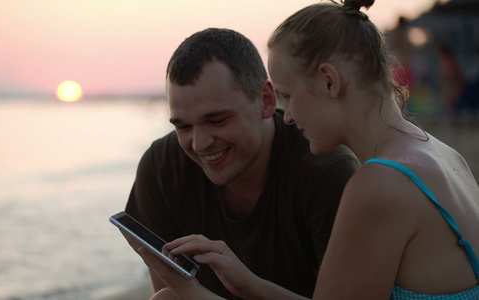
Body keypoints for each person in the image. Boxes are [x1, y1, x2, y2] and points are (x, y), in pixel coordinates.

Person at [135, 1, 479, 299]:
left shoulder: (378, 184)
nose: (289, 115)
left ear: (329, 82)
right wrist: (249, 285)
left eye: (288, 95)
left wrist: (190, 292)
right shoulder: (444, 155)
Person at [122, 27, 360, 299]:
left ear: (266, 101)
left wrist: (249, 286)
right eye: (184, 126)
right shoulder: (161, 168)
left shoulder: (326, 172)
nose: (199, 144)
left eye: (217, 120)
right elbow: (172, 291)